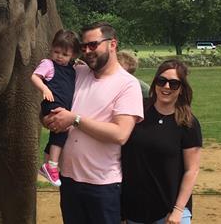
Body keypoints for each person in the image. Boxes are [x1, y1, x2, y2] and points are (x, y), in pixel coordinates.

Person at [43, 21, 144, 224]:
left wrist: (75, 119)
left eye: (93, 45)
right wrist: (48, 119)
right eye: (83, 47)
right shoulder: (77, 73)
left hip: (102, 186)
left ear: (112, 44)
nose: (87, 51)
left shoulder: (127, 85)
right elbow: (52, 105)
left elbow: (120, 134)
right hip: (69, 180)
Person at [121, 59, 203, 224]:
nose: (166, 87)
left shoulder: (187, 123)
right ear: (155, 83)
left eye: (173, 84)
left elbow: (192, 170)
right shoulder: (137, 111)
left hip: (170, 210)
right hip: (134, 209)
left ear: (181, 89)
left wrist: (178, 210)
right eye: (162, 81)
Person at [31, 29, 80, 186]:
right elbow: (34, 76)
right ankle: (52, 165)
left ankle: (46, 164)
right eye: (56, 52)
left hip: (62, 105)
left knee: (57, 133)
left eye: (64, 54)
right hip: (52, 104)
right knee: (63, 129)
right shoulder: (48, 64)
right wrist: (44, 89)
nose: (59, 56)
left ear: (72, 55)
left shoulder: (71, 68)